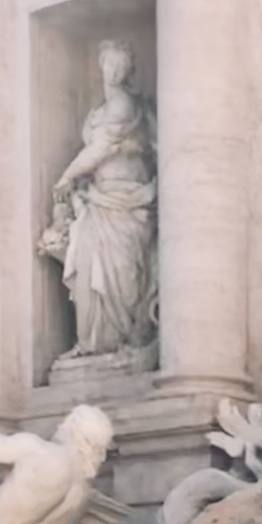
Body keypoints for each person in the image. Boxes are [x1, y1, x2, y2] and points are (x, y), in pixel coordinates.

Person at [41, 39, 159, 358]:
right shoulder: (97, 112)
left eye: (119, 64)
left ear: (128, 70)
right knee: (87, 261)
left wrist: (66, 176)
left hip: (128, 201)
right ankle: (92, 341)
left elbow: (100, 149)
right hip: (99, 200)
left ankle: (125, 336)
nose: (113, 70)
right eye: (108, 63)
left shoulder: (124, 105)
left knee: (123, 272)